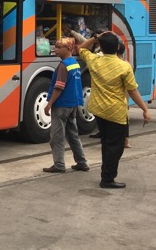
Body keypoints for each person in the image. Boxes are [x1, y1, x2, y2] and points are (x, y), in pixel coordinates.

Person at [78, 32, 151, 189]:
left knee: (106, 143)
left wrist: (95, 38)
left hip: (98, 110)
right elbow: (132, 91)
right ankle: (107, 179)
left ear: (101, 47)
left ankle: (106, 173)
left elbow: (81, 49)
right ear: (118, 47)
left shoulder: (95, 60)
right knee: (115, 147)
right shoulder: (124, 67)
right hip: (115, 113)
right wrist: (145, 109)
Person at [42, 39, 89, 173]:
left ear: (68, 49)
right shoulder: (74, 63)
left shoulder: (63, 66)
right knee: (73, 134)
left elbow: (59, 87)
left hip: (61, 105)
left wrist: (49, 104)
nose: (56, 50)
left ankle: (59, 165)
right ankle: (82, 162)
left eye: (59, 47)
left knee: (56, 137)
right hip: (72, 104)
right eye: (56, 47)